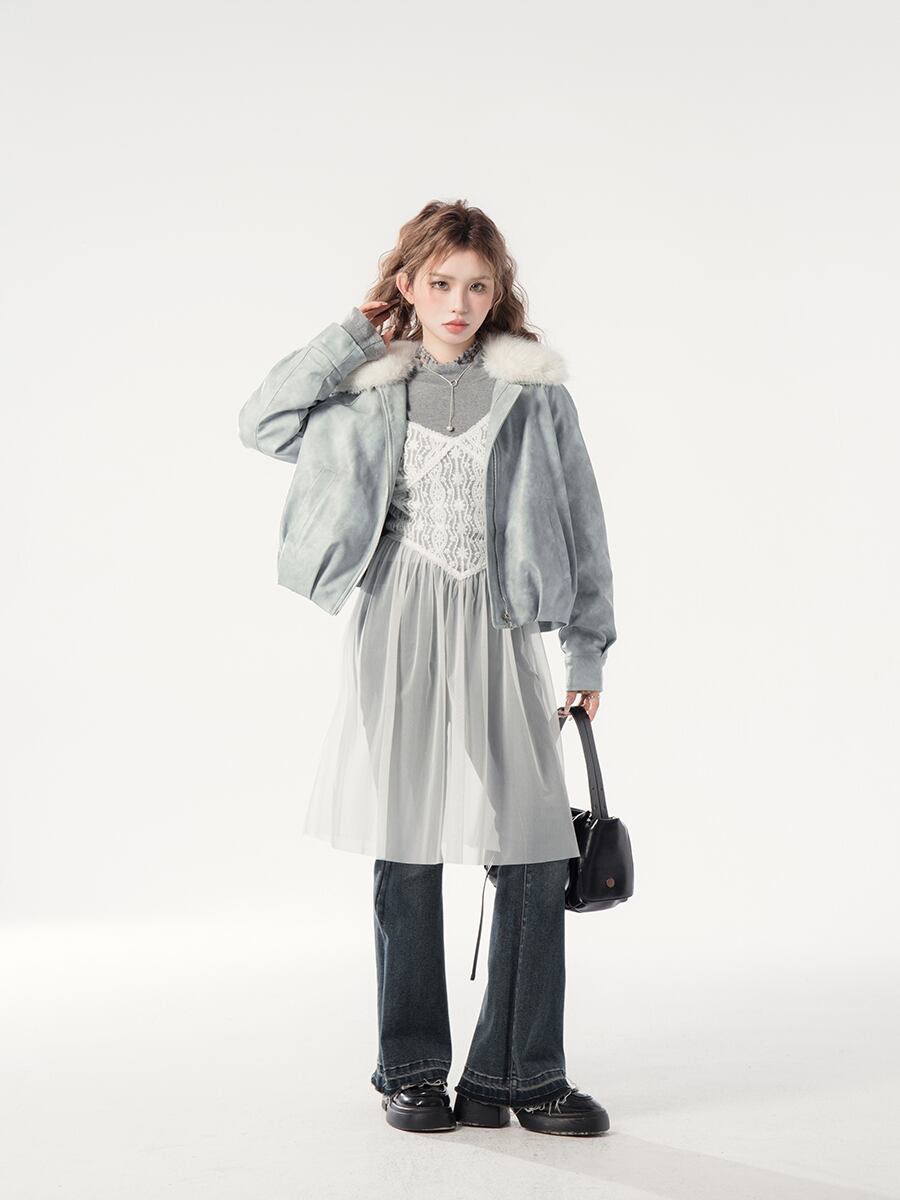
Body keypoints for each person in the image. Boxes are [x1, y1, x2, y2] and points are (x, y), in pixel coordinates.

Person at [239, 200, 616, 1136]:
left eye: (477, 286)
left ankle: (518, 1075)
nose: (458, 303)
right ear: (406, 284)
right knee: (404, 841)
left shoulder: (535, 392)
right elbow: (262, 422)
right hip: (397, 620)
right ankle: (411, 1070)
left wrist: (586, 645)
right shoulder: (368, 387)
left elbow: (583, 521)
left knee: (534, 845)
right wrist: (353, 334)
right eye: (439, 282)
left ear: (498, 292)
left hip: (501, 622)